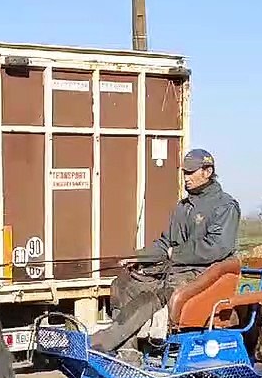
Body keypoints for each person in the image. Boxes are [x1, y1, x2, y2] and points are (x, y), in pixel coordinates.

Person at [88, 148, 241, 354]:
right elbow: (165, 242)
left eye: (190, 173)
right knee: (123, 284)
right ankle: (128, 352)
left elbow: (217, 247)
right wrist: (138, 256)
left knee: (151, 297)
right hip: (173, 271)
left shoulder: (224, 206)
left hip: (202, 276)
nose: (185, 178)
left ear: (207, 171)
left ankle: (101, 344)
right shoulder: (183, 207)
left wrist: (174, 254)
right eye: (184, 173)